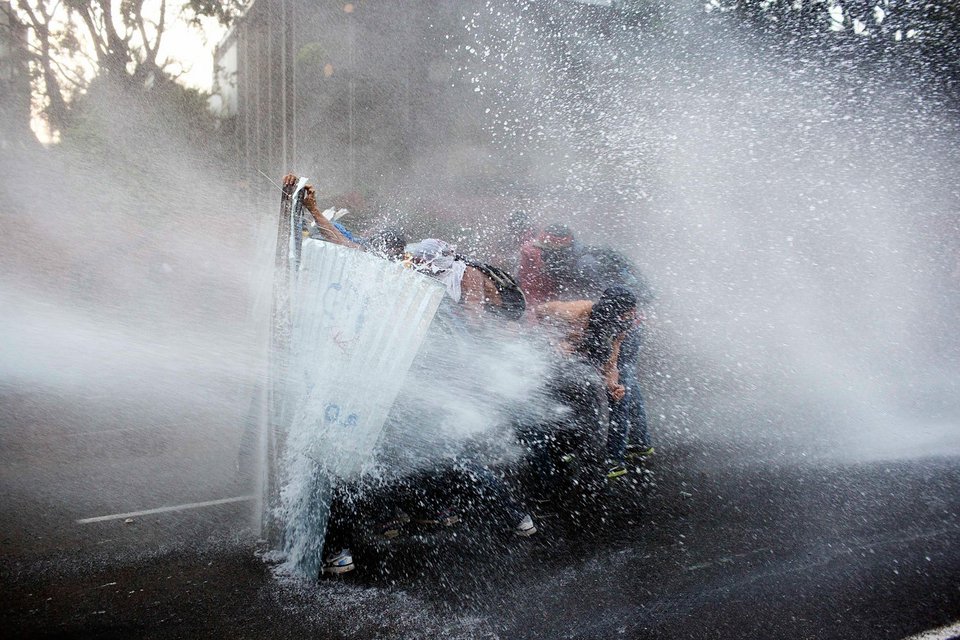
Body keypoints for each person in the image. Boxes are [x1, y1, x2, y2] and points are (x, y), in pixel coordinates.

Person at [532, 286, 639, 481]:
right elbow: (538, 311)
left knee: (597, 409)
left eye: (632, 313)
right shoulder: (577, 311)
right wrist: (553, 342)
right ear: (613, 309)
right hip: (550, 364)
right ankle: (552, 460)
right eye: (627, 313)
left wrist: (613, 385)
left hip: (583, 371)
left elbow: (611, 364)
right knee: (555, 409)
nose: (630, 317)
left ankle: (587, 460)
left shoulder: (619, 328)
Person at [517, 223, 582, 308]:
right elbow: (526, 282)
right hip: (535, 298)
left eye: (561, 251)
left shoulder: (578, 259)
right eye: (550, 251)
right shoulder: (531, 254)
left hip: (556, 300)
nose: (555, 256)